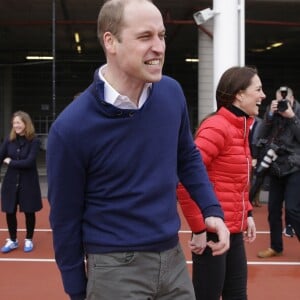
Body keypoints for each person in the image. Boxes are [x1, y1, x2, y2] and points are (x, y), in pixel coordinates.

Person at [46, 1, 230, 299]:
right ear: (111, 42)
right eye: (145, 37)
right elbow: (64, 218)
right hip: (114, 269)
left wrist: (211, 209)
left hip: (172, 258)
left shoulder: (171, 93)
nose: (159, 47)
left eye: (162, 36)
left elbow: (187, 156)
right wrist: (77, 288)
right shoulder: (71, 128)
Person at [177, 66, 264, 300]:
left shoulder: (241, 127)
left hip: (233, 230)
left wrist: (247, 213)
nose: (263, 95)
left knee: (237, 295)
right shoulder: (217, 127)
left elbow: (236, 180)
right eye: (258, 89)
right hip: (213, 230)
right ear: (239, 94)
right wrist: (199, 228)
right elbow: (185, 178)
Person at [257, 86, 300, 258]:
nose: (282, 104)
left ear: (292, 98)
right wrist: (269, 115)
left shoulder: (297, 112)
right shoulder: (272, 113)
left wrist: (292, 117)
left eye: (285, 101)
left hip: (295, 167)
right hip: (275, 166)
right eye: (279, 101)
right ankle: (276, 246)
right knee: (273, 209)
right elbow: (261, 135)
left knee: (293, 210)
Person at [0, 110, 42, 253]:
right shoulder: (9, 139)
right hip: (10, 182)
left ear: (26, 123)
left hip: (28, 183)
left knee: (29, 212)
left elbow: (29, 162)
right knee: (9, 211)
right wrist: (5, 160)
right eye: (14, 123)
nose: (15, 125)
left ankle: (29, 239)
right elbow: (1, 157)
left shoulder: (34, 141)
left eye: (18, 122)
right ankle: (13, 240)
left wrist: (10, 162)